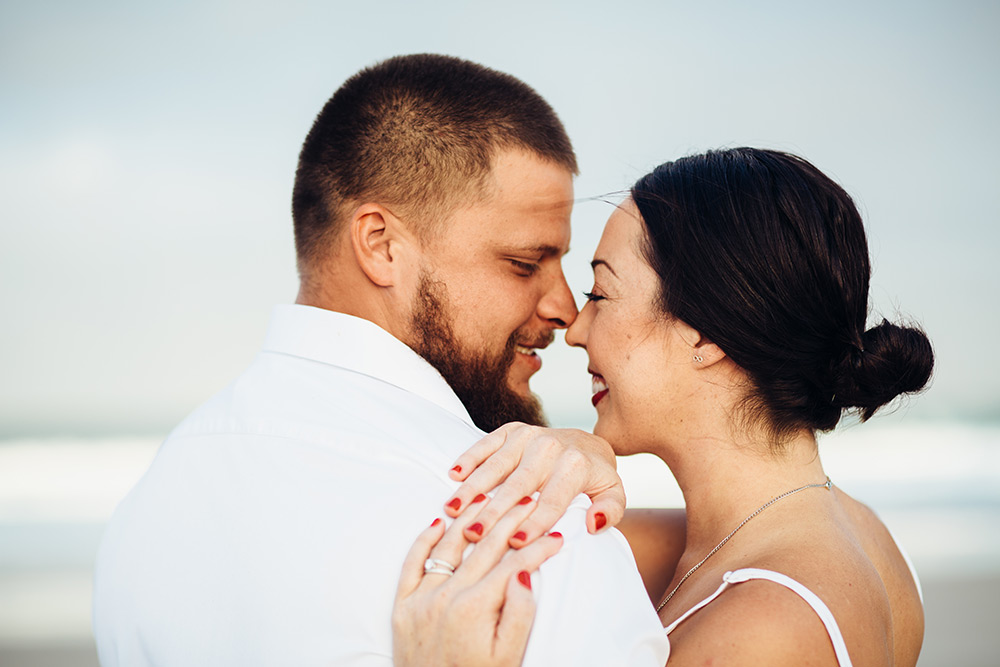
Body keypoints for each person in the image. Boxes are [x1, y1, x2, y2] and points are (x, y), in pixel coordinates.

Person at [92, 54, 669, 666]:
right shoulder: (520, 538)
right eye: (524, 264)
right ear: (380, 245)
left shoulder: (145, 514)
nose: (563, 308)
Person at [392, 147, 933, 666]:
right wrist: (575, 453)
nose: (575, 329)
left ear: (705, 335)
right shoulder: (856, 532)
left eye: (600, 294)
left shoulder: (764, 630)